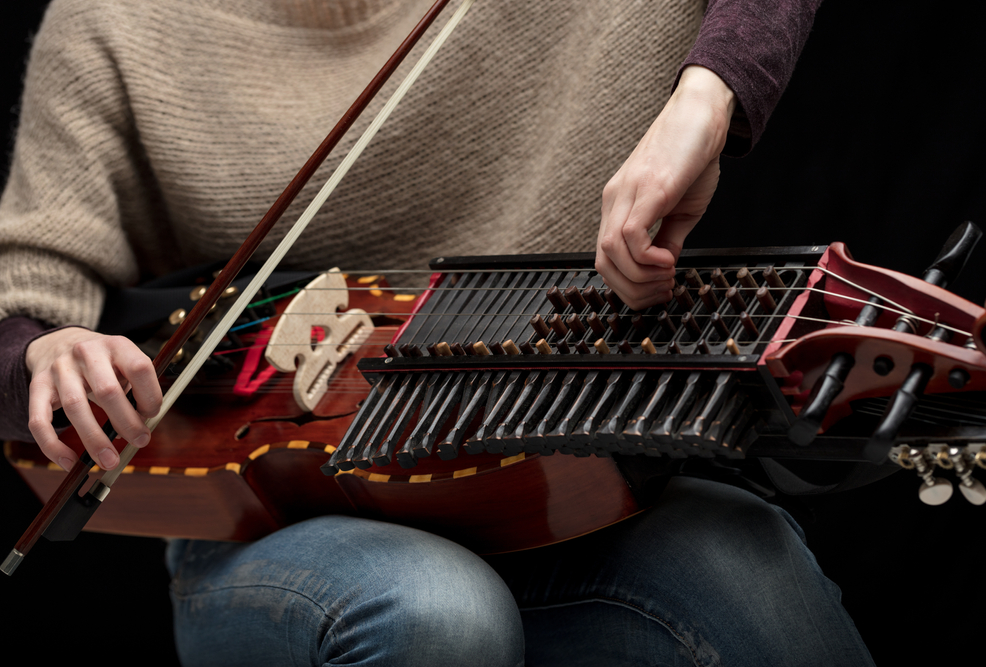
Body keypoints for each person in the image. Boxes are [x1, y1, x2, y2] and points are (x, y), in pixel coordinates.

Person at [1, 0, 874, 664]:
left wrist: (707, 101)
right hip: (278, 508)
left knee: (748, 565)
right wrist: (42, 350)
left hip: (544, 463)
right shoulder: (110, 26)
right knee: (432, 610)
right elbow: (22, 289)